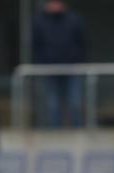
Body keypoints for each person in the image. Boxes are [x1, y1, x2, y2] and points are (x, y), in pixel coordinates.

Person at [31, 0, 87, 128]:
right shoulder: (39, 22)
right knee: (53, 104)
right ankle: (55, 134)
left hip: (73, 69)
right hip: (50, 70)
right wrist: (40, 64)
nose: (55, 5)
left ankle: (78, 132)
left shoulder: (74, 20)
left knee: (75, 103)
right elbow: (35, 47)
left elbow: (82, 44)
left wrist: (80, 62)